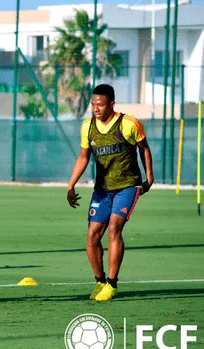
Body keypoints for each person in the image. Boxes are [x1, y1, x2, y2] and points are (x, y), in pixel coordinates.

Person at [66, 84, 154, 302]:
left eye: (101, 104)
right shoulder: (87, 126)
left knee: (114, 229)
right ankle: (100, 280)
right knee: (92, 235)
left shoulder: (128, 123)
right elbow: (83, 156)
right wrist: (71, 185)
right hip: (102, 190)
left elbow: (144, 148)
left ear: (111, 104)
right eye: (94, 104)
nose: (96, 108)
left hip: (128, 186)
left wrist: (149, 176)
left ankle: (112, 284)